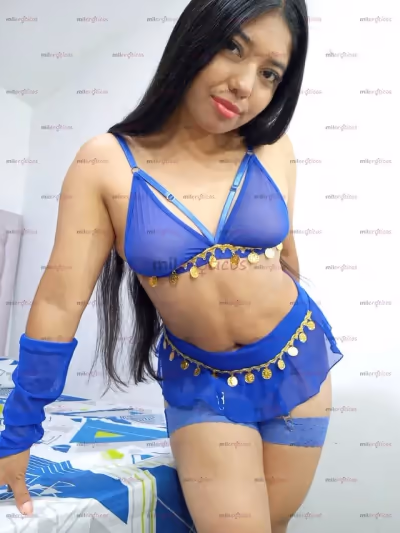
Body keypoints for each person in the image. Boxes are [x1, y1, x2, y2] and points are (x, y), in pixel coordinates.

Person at [0, 0, 343, 531]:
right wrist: (18, 430)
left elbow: (286, 256)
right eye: (234, 48)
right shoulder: (105, 162)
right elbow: (58, 302)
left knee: (276, 524)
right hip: (203, 386)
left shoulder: (274, 150)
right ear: (195, 38)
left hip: (298, 361)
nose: (244, 84)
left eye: (269, 73)